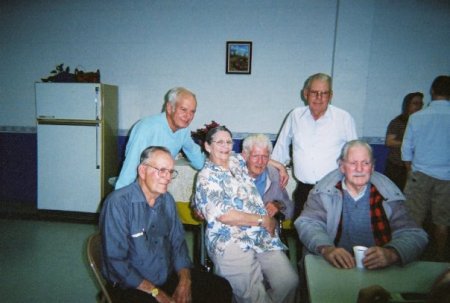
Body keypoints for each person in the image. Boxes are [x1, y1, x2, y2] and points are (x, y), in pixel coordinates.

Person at [100, 146, 232, 303]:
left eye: (170, 171)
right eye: (161, 170)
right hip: (132, 284)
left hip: (167, 276)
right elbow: (116, 261)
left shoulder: (167, 200)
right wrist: (155, 292)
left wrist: (185, 281)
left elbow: (178, 243)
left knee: (220, 287)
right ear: (142, 171)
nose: (167, 177)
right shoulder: (118, 203)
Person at [193, 126, 299, 303]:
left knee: (289, 282)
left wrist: (279, 165)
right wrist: (263, 220)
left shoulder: (235, 161)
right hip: (230, 242)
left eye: (228, 142)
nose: (225, 146)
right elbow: (225, 215)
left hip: (259, 237)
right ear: (207, 146)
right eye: (219, 142)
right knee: (255, 298)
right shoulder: (206, 177)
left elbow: (256, 157)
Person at [296, 140, 428, 270]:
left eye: (365, 163)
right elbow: (308, 223)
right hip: (332, 265)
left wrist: (392, 253)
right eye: (353, 163)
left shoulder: (388, 194)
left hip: (379, 268)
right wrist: (327, 249)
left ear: (372, 167)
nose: (359, 169)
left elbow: (414, 234)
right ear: (342, 166)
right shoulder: (324, 192)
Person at [272, 73, 358, 220]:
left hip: (334, 191)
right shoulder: (295, 116)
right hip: (303, 192)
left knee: (331, 239)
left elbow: (356, 156)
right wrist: (278, 169)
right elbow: (280, 150)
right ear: (305, 94)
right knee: (302, 236)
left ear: (330, 95)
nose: (319, 97)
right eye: (314, 92)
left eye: (324, 93)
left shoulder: (344, 118)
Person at [115, 87, 205, 189]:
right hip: (137, 188)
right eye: (183, 109)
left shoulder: (183, 131)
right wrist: (119, 199)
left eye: (192, 112)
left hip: (157, 188)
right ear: (170, 108)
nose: (188, 116)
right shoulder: (146, 128)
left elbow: (197, 158)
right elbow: (130, 169)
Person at [402, 75, 450, 262]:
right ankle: (439, 258)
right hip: (447, 177)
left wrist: (409, 171)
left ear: (432, 91)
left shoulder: (417, 117)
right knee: (442, 221)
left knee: (413, 219)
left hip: (420, 175)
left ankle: (411, 257)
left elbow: (406, 148)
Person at [242, 133, 294, 220]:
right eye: (255, 156)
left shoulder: (274, 176)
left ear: (269, 157)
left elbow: (290, 210)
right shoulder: (234, 173)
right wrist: (280, 166)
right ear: (245, 155)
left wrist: (278, 205)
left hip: (266, 230)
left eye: (264, 156)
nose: (260, 161)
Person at [384, 92, 424, 190]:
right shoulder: (398, 122)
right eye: (415, 103)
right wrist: (408, 144)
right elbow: (389, 142)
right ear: (407, 105)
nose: (418, 106)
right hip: (397, 166)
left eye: (420, 104)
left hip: (416, 167)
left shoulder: (423, 122)